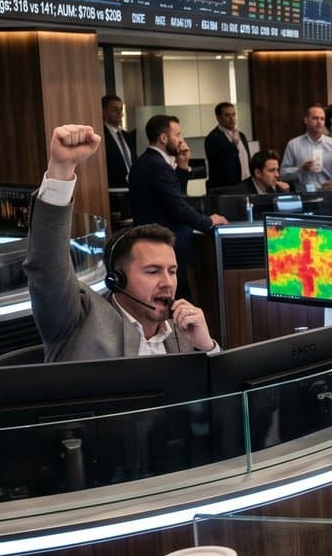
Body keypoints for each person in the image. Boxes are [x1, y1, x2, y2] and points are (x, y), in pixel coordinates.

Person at [26, 125, 218, 360]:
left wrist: (208, 348)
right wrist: (61, 170)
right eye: (152, 271)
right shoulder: (80, 318)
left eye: (172, 271)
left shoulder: (181, 329)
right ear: (117, 279)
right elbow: (47, 265)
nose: (167, 283)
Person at [129, 114, 228, 295]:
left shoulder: (147, 162)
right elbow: (177, 207)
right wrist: (208, 222)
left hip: (154, 240)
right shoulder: (158, 165)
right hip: (165, 241)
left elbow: (174, 195)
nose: (181, 140)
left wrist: (182, 167)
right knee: (177, 295)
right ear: (164, 138)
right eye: (178, 134)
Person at [280, 103, 332, 192]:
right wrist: (300, 169)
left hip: (327, 195)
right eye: (315, 118)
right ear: (306, 120)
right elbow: (283, 174)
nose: (319, 122)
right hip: (303, 196)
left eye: (322, 119)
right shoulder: (293, 144)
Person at [204, 102, 253, 191]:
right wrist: (233, 145)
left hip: (246, 183)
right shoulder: (212, 138)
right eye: (227, 115)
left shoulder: (241, 135)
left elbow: (246, 158)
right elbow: (219, 165)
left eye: (233, 114)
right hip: (226, 187)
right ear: (218, 118)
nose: (232, 119)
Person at [101, 94, 136, 189]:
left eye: (121, 109)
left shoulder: (127, 136)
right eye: (114, 109)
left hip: (133, 187)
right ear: (103, 111)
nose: (119, 113)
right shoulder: (101, 135)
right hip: (113, 189)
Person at [221, 153, 288, 196]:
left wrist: (285, 195)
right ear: (258, 173)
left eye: (277, 170)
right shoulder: (240, 194)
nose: (277, 175)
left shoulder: (276, 189)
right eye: (271, 170)